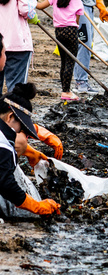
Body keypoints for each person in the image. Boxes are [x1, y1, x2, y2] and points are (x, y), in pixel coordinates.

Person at [0, 80, 61, 216]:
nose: (20, 132)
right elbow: (5, 183)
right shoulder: (4, 145)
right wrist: (37, 206)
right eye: (21, 128)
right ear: (10, 117)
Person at [37, 0, 84, 101]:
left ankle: (65, 89)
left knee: (64, 61)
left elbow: (39, 6)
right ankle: (66, 91)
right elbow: (77, 22)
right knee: (70, 61)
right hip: (71, 31)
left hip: (59, 32)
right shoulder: (78, 2)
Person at [0, 0, 39, 93]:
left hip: (2, 42)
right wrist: (32, 15)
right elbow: (26, 9)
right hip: (17, 42)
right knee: (16, 92)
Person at [73, 0, 108, 94]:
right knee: (84, 44)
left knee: (87, 45)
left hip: (89, 7)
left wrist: (100, 5)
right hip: (79, 6)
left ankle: (81, 81)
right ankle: (81, 83)